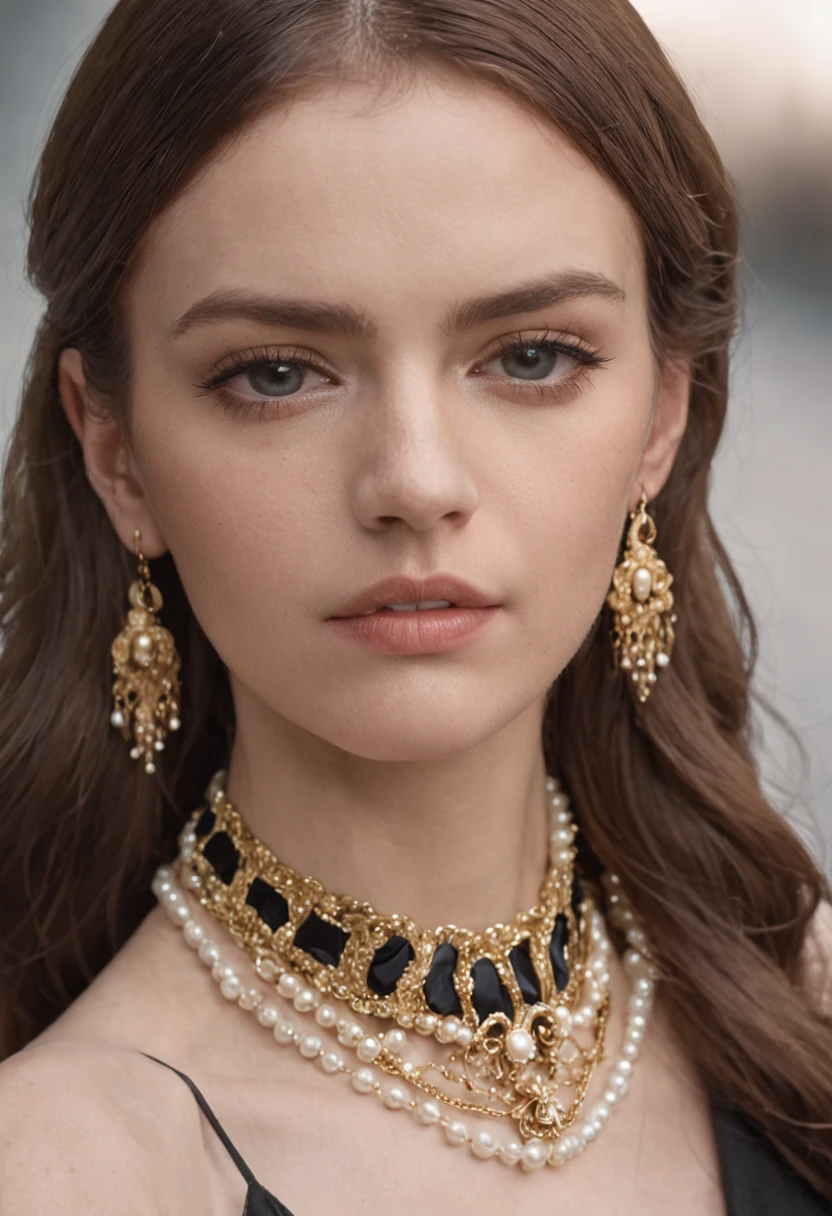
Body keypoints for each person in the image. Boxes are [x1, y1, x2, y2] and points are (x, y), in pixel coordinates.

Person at [0, 0, 830, 1211]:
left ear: (663, 413)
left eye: (532, 355)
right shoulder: (70, 1166)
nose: (415, 482)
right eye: (276, 373)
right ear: (116, 452)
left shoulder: (798, 1007)